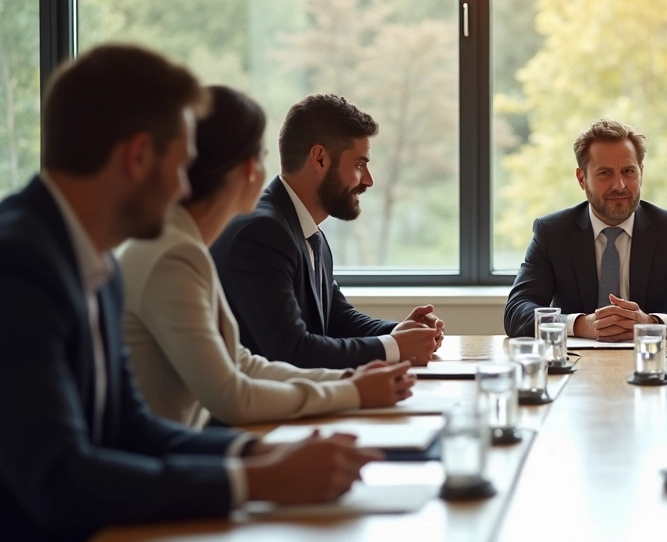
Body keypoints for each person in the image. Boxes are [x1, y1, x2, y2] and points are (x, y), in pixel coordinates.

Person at [0, 44, 381, 539]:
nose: (186, 189)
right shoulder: (20, 267)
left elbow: (128, 427)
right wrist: (256, 480)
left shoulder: (97, 263)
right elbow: (59, 479)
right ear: (138, 157)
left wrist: (257, 452)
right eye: (181, 166)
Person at [119, 86, 416, 429]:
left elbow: (242, 363)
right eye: (259, 156)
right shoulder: (176, 254)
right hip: (171, 457)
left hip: (183, 446)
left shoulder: (179, 244)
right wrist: (352, 391)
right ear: (245, 168)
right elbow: (233, 395)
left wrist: (352, 381)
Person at [211, 93, 444, 370]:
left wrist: (402, 332)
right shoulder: (262, 233)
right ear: (320, 158)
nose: (368, 180)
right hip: (255, 411)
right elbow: (292, 351)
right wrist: (394, 347)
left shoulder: (305, 230)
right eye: (359, 164)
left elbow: (336, 319)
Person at [503, 119, 667, 340]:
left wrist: (652, 324)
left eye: (629, 172)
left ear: (641, 173)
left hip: (655, 363)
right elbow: (517, 312)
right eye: (605, 173)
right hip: (576, 366)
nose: (619, 185)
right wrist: (580, 325)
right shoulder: (552, 233)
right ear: (582, 179)